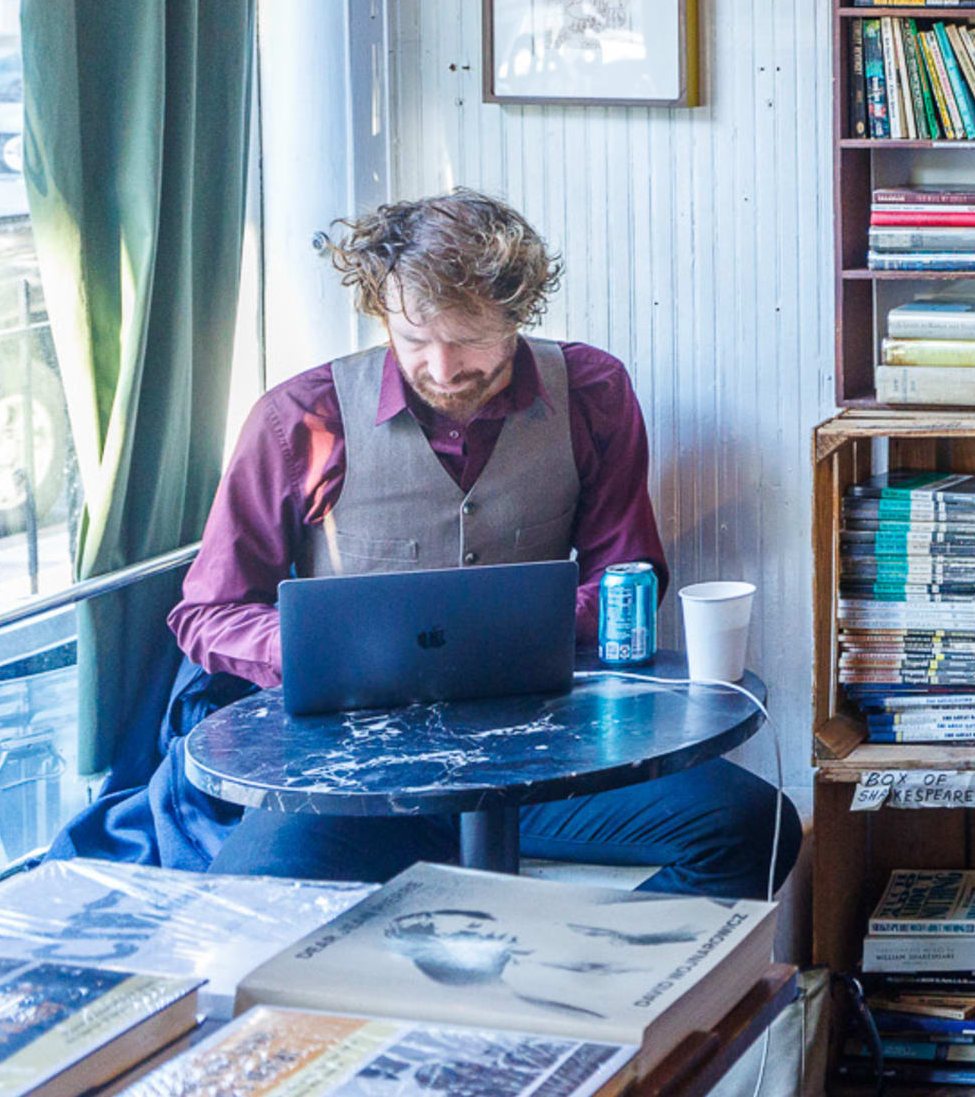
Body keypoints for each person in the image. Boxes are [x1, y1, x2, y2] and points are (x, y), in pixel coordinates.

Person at [164, 191, 796, 897]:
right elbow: (207, 613)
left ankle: (587, 997)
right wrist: (313, 651)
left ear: (518, 311)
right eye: (414, 341)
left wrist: (538, 630)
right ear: (381, 315)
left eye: (470, 340)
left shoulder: (592, 391)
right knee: (245, 907)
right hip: (355, 774)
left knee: (753, 825)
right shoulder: (298, 419)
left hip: (548, 757)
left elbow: (629, 574)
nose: (442, 367)